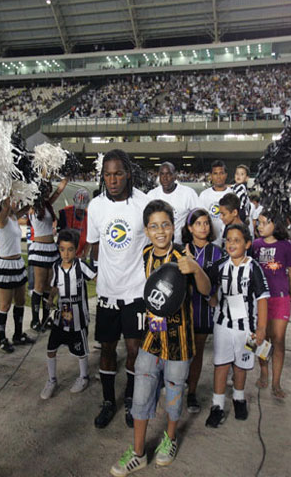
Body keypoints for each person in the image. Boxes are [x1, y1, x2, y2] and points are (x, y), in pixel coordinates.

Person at [110, 200, 211, 476]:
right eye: (154, 226)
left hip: (180, 342)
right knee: (141, 394)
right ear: (146, 230)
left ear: (173, 226)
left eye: (165, 224)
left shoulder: (183, 255)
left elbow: (206, 290)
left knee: (175, 393)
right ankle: (138, 452)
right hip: (151, 341)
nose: (160, 231)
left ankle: (170, 439)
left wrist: (196, 269)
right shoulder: (145, 254)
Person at [87, 149, 150, 429]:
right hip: (108, 292)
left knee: (135, 349)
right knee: (108, 348)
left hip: (137, 291)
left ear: (128, 174)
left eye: (118, 174)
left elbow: (153, 245)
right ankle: (108, 401)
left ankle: (130, 400)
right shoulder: (96, 206)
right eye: (107, 174)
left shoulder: (144, 203)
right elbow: (94, 245)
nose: (112, 180)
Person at [206, 223, 269, 427]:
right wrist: (212, 297)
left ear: (247, 244)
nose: (232, 244)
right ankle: (217, 404)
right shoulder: (220, 265)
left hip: (246, 328)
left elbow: (262, 299)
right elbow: (208, 285)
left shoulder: (253, 267)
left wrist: (260, 329)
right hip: (223, 324)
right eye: (229, 240)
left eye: (237, 240)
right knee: (221, 364)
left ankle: (239, 398)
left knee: (241, 365)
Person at [252, 211, 291, 399]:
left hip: (280, 298)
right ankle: (264, 370)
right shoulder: (255, 246)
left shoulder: (286, 247)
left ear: (277, 225)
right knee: (262, 338)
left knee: (279, 339)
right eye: (259, 223)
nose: (260, 226)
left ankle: (276, 382)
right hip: (261, 300)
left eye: (265, 223)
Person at [41, 229, 97, 399]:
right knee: (51, 348)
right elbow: (55, 286)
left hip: (78, 315)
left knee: (80, 350)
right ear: (59, 249)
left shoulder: (81, 266)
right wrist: (51, 298)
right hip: (61, 315)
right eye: (62, 249)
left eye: (70, 249)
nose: (66, 253)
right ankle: (51, 380)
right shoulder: (56, 267)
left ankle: (83, 376)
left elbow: (96, 278)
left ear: (76, 250)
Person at [181, 208, 223, 414]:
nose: (203, 227)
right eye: (198, 223)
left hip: (203, 309)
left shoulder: (217, 252)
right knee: (181, 351)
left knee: (196, 353)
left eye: (206, 223)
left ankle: (192, 393)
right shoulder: (180, 250)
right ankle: (175, 385)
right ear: (189, 227)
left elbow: (215, 286)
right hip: (182, 310)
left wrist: (211, 295)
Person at [0, 197, 34, 352]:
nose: (16, 202)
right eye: (11, 201)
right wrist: (8, 189)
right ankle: (1, 339)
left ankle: (18, 334)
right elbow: (8, 206)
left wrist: (33, 194)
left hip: (17, 263)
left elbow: (27, 206)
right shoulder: (1, 218)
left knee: (21, 301)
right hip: (6, 265)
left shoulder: (13, 216)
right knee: (5, 304)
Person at [29, 178, 68, 332]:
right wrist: (44, 172)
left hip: (51, 248)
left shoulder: (47, 205)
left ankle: (46, 318)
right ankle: (34, 320)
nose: (48, 192)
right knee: (38, 285)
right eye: (45, 189)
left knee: (48, 285)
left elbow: (59, 190)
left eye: (48, 190)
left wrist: (65, 178)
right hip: (39, 248)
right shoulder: (33, 205)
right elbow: (39, 182)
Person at [146, 162, 199, 244]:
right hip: (158, 244)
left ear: (175, 176)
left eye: (168, 174)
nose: (165, 178)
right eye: (162, 174)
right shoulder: (152, 195)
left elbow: (198, 218)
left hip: (182, 244)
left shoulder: (188, 193)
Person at [198, 160, 231, 246]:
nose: (218, 177)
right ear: (211, 176)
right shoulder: (204, 195)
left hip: (228, 241)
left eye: (221, 173)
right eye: (215, 173)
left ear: (226, 175)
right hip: (209, 242)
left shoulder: (232, 194)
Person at [57, 188, 90, 258]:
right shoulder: (65, 212)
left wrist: (84, 255)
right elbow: (60, 235)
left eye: (81, 209)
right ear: (74, 200)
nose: (79, 211)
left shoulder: (89, 216)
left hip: (80, 255)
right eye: (78, 208)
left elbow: (89, 240)